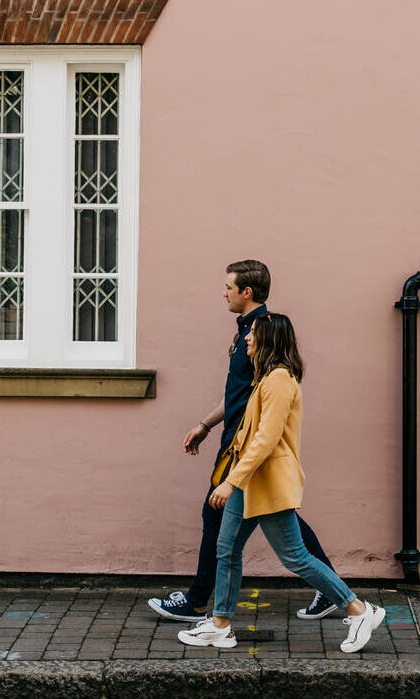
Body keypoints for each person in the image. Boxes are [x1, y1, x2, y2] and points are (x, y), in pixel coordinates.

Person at [147, 260, 343, 623]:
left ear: (246, 292)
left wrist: (237, 456)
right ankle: (333, 592)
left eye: (228, 287)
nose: (223, 293)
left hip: (245, 443)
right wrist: (205, 424)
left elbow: (265, 397)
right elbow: (239, 393)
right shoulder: (245, 333)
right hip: (235, 438)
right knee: (280, 521)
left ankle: (199, 603)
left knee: (225, 516)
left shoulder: (261, 334)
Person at [177, 312, 386, 653]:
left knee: (296, 557)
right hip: (251, 481)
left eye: (254, 334)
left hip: (267, 481)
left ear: (269, 340)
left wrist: (231, 481)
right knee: (226, 549)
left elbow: (266, 439)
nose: (247, 338)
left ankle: (359, 610)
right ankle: (220, 624)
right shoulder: (266, 378)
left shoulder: (278, 380)